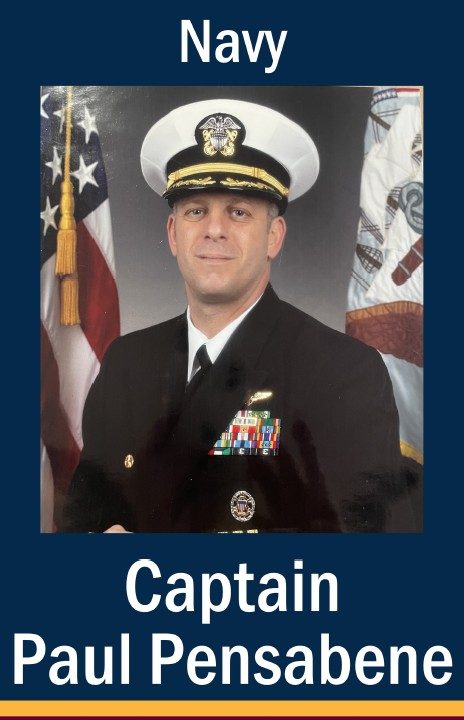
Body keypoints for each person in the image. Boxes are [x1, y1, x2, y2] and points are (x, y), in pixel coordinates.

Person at [59, 98, 418, 533]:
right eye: (196, 211)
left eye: (239, 211)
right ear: (173, 234)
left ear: (274, 236)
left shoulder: (341, 373)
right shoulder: (126, 363)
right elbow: (79, 520)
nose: (214, 229)